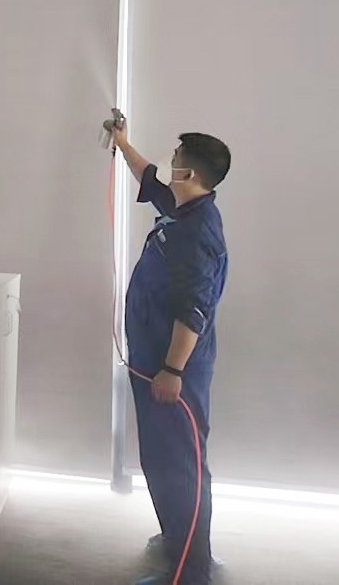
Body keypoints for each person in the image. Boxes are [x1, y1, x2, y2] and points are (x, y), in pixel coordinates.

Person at [112, 123, 231, 585]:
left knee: (181, 468)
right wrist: (123, 143)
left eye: (176, 157)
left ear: (190, 174)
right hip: (152, 363)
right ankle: (177, 542)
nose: (170, 160)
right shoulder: (183, 210)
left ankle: (191, 571)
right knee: (161, 462)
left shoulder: (197, 232)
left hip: (173, 372)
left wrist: (172, 369)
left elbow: (194, 310)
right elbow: (149, 177)